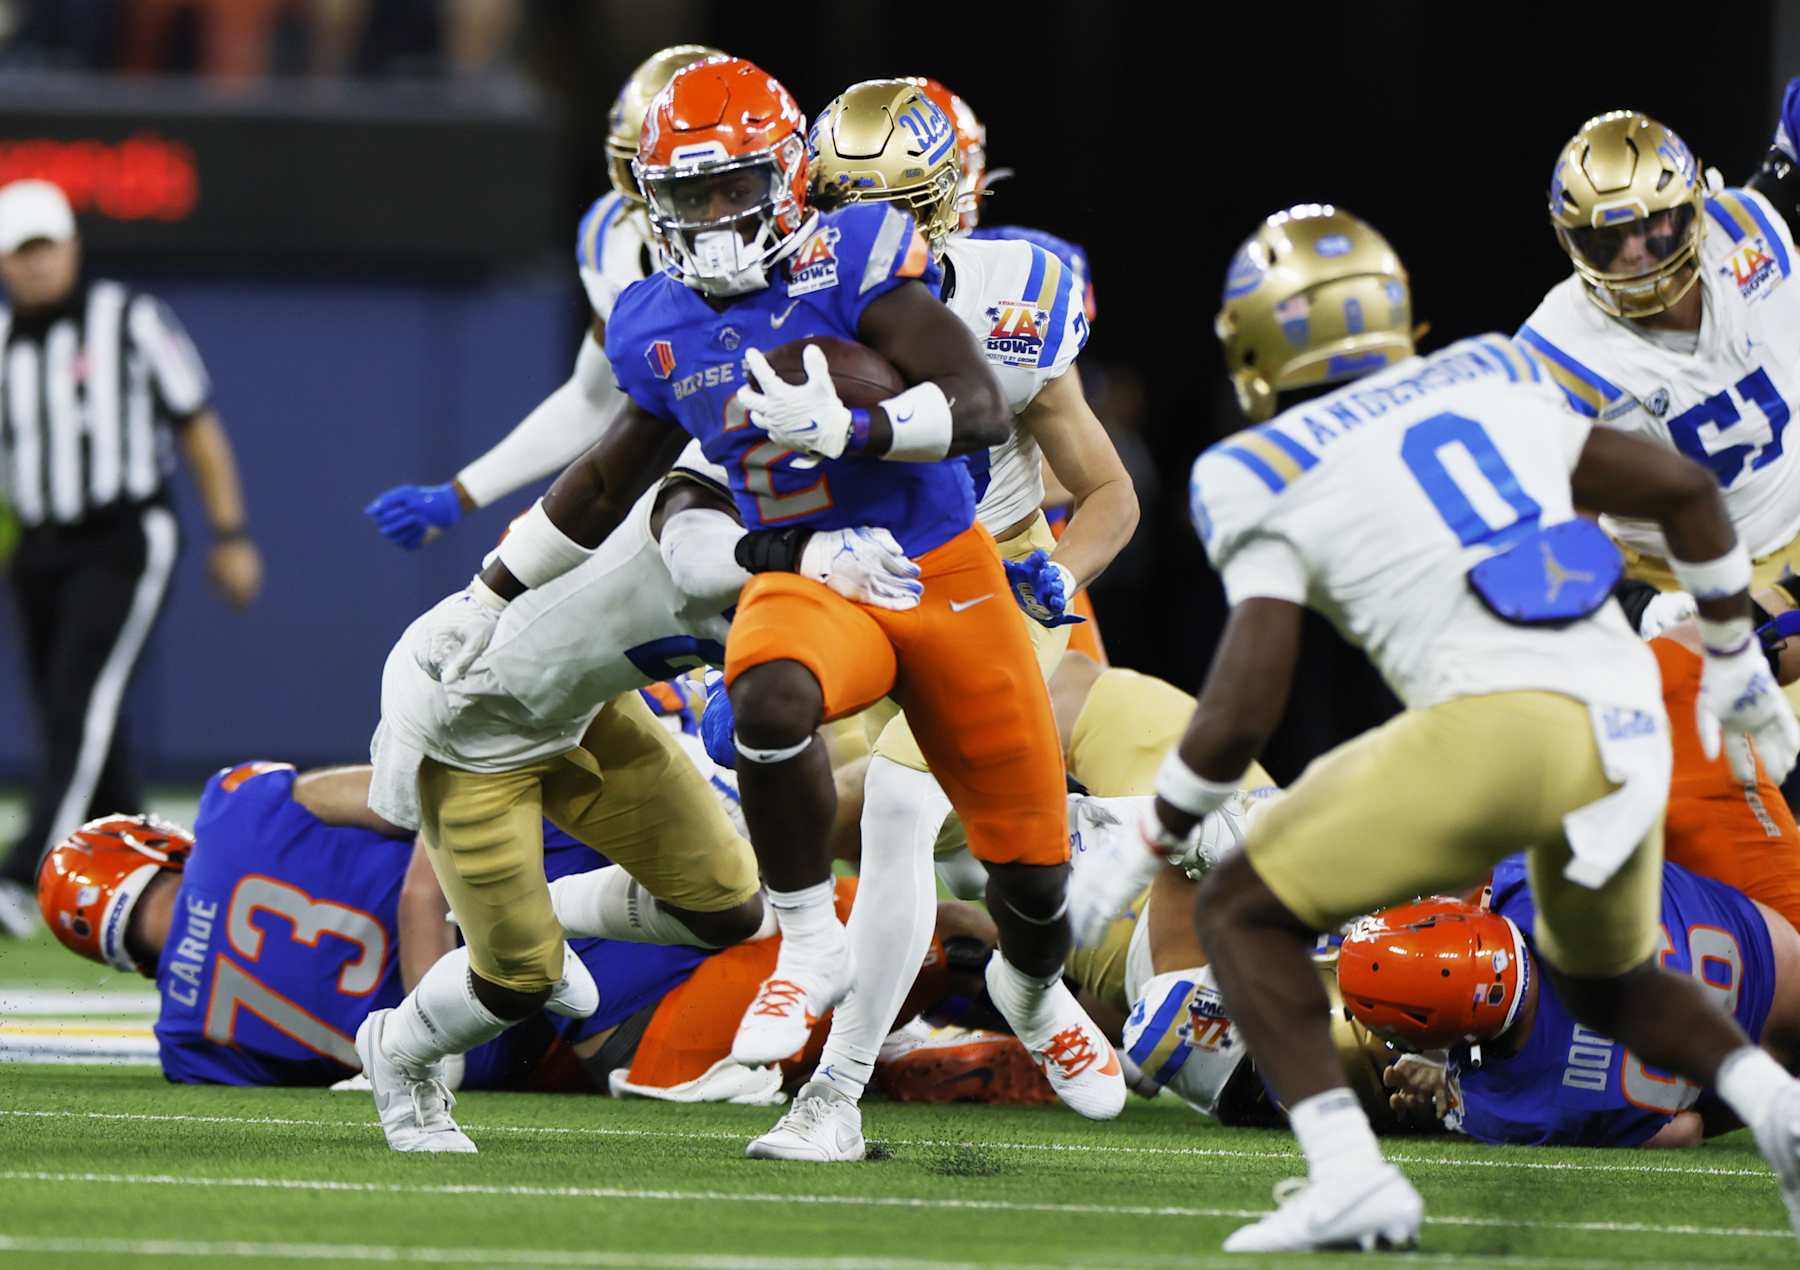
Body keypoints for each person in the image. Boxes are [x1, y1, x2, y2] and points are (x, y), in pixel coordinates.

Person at [1074, 203, 1800, 1252]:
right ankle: (1778, 1110)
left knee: (1240, 909)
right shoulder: (1493, 371)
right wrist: (1732, 660)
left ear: (1254, 352)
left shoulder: (1252, 469)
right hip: (1628, 717)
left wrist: (1151, 836)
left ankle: (1350, 1180)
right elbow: (1686, 490)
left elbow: (1241, 706)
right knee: (1602, 978)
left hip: (1503, 726)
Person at [432, 56, 1124, 1146]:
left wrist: (856, 429)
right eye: (687, 194)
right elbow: (613, 481)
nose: (712, 218)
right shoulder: (660, 317)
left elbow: (983, 408)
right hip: (817, 568)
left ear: (787, 179)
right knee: (779, 708)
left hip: (951, 568)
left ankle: (1032, 988)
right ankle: (812, 968)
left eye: (731, 187)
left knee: (1031, 878)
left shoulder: (874, 262)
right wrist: (489, 591)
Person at [734, 77, 1136, 1160]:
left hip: (987, 575)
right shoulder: (786, 295)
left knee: (907, 812)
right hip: (859, 572)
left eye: (897, 207)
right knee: (787, 788)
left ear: (954, 203)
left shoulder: (1017, 297)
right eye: (847, 204)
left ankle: (852, 1083)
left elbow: (1108, 492)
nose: (872, 232)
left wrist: (1061, 573)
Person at [0, 178, 262, 936]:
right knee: (74, 711)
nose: (35, 264)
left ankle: (24, 875)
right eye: (19, 252)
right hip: (39, 543)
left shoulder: (130, 319)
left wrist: (231, 533)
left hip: (123, 534)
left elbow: (197, 426)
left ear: (72, 247)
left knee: (81, 700)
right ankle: (143, 865)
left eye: (45, 247)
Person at [364, 45, 722, 551]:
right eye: (641, 172)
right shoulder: (613, 235)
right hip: (673, 487)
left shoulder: (783, 252)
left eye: (683, 179)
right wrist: (460, 493)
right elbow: (593, 399)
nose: (656, 197)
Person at [1518, 97, 1800, 600]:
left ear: (1693, 208)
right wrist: (1637, 609)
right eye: (1607, 239)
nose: (1633, 252)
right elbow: (1557, 530)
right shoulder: (1555, 352)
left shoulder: (1746, 227)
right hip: (1678, 583)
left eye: (1651, 226)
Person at [1346, 860, 1800, 1149]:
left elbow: (1686, 1131)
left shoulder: (1512, 1108)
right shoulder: (1531, 878)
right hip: (1772, 942)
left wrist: (1451, 1088)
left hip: (1740, 1082)